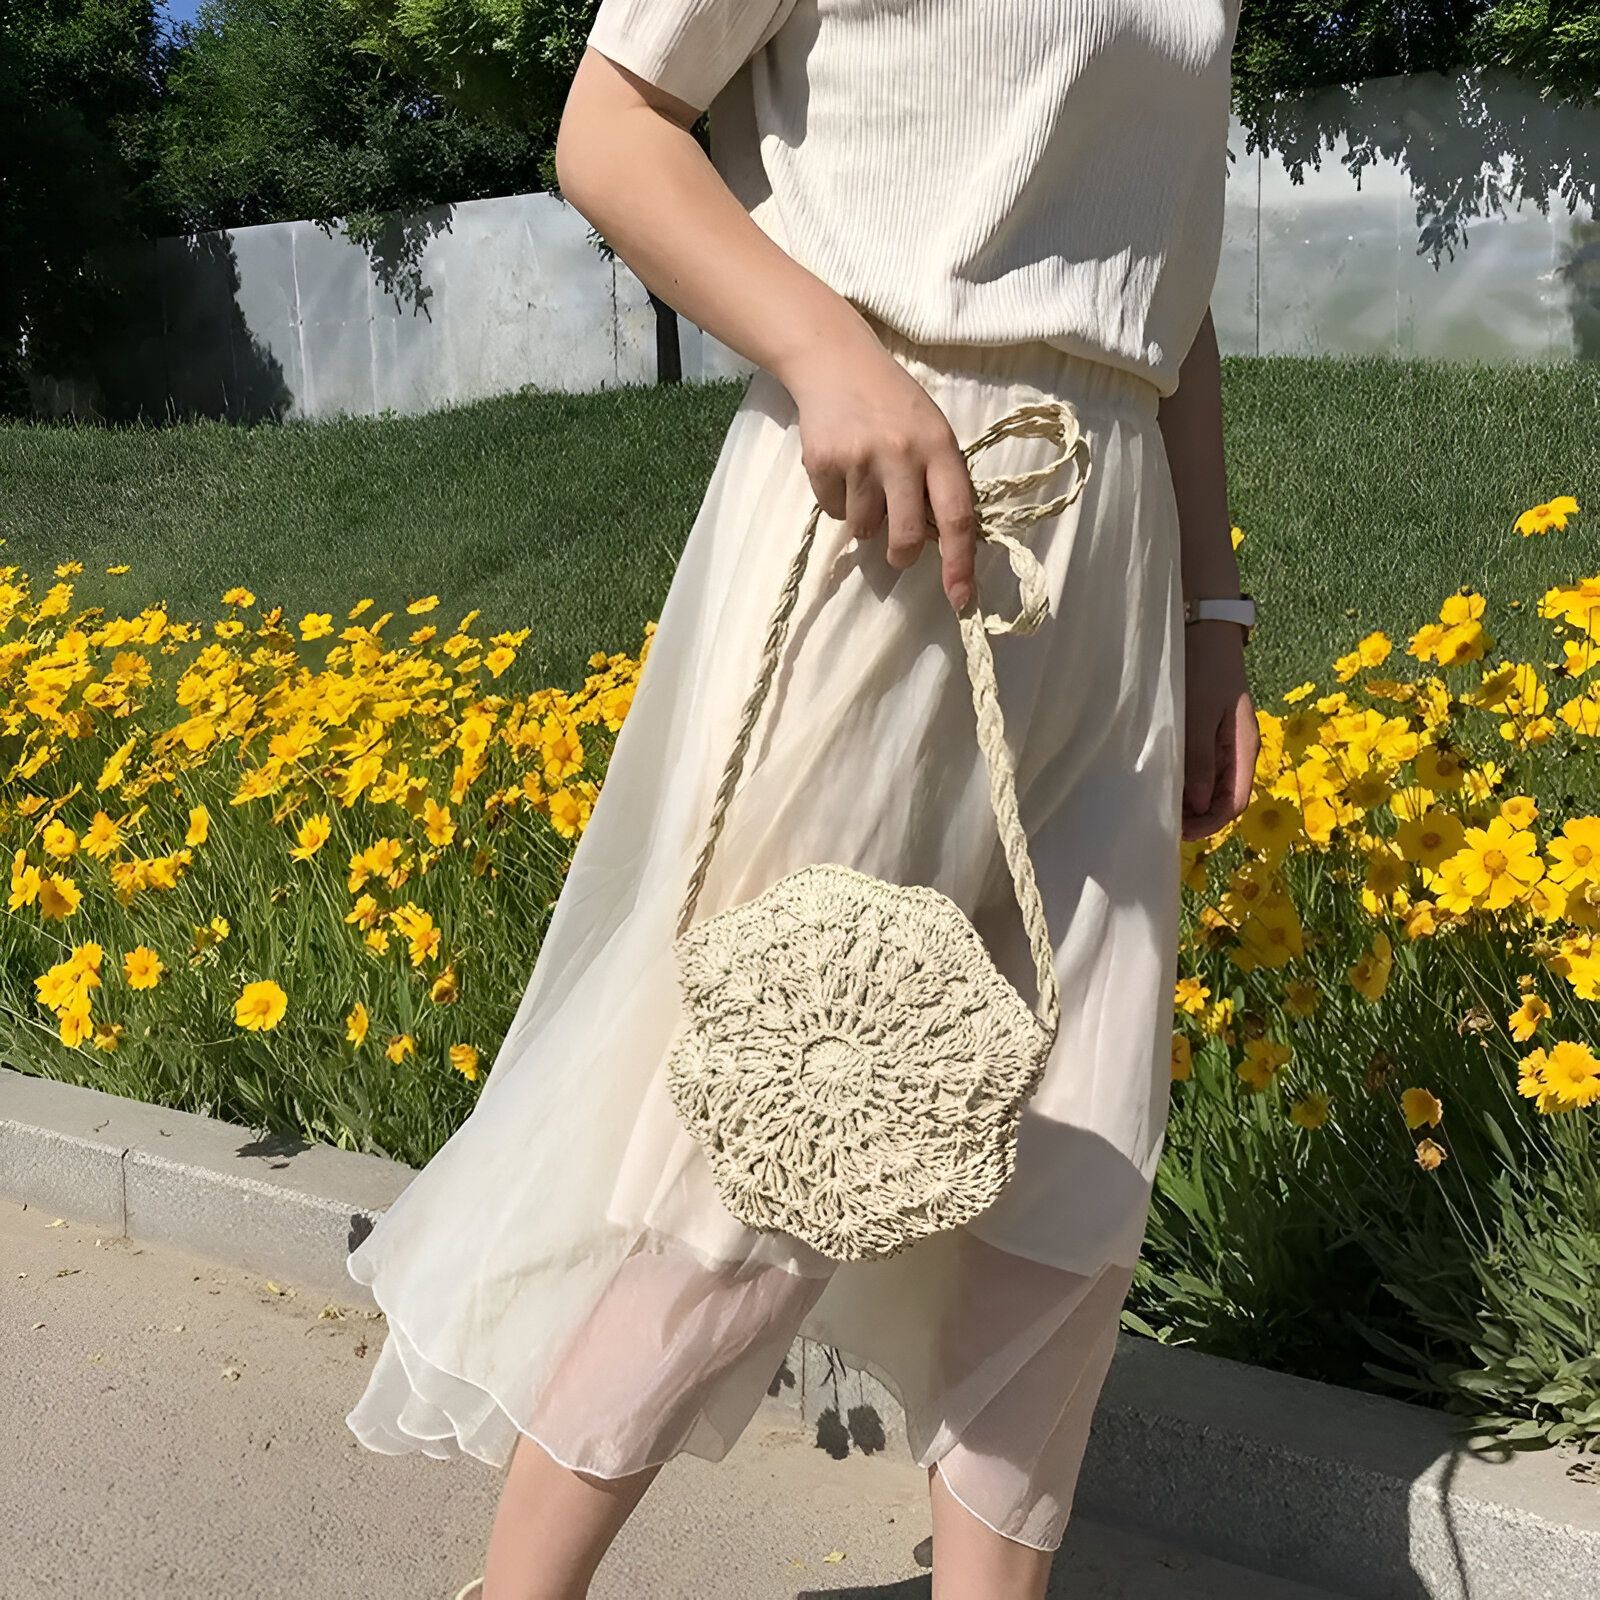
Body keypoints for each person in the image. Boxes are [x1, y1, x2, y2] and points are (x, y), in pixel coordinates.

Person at [344, 2, 1259, 1597]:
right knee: (784, 1114)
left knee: (1081, 1131)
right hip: (881, 506)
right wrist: (825, 348)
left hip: (1107, 542)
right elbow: (612, 128)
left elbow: (1162, 279)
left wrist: (1214, 606)